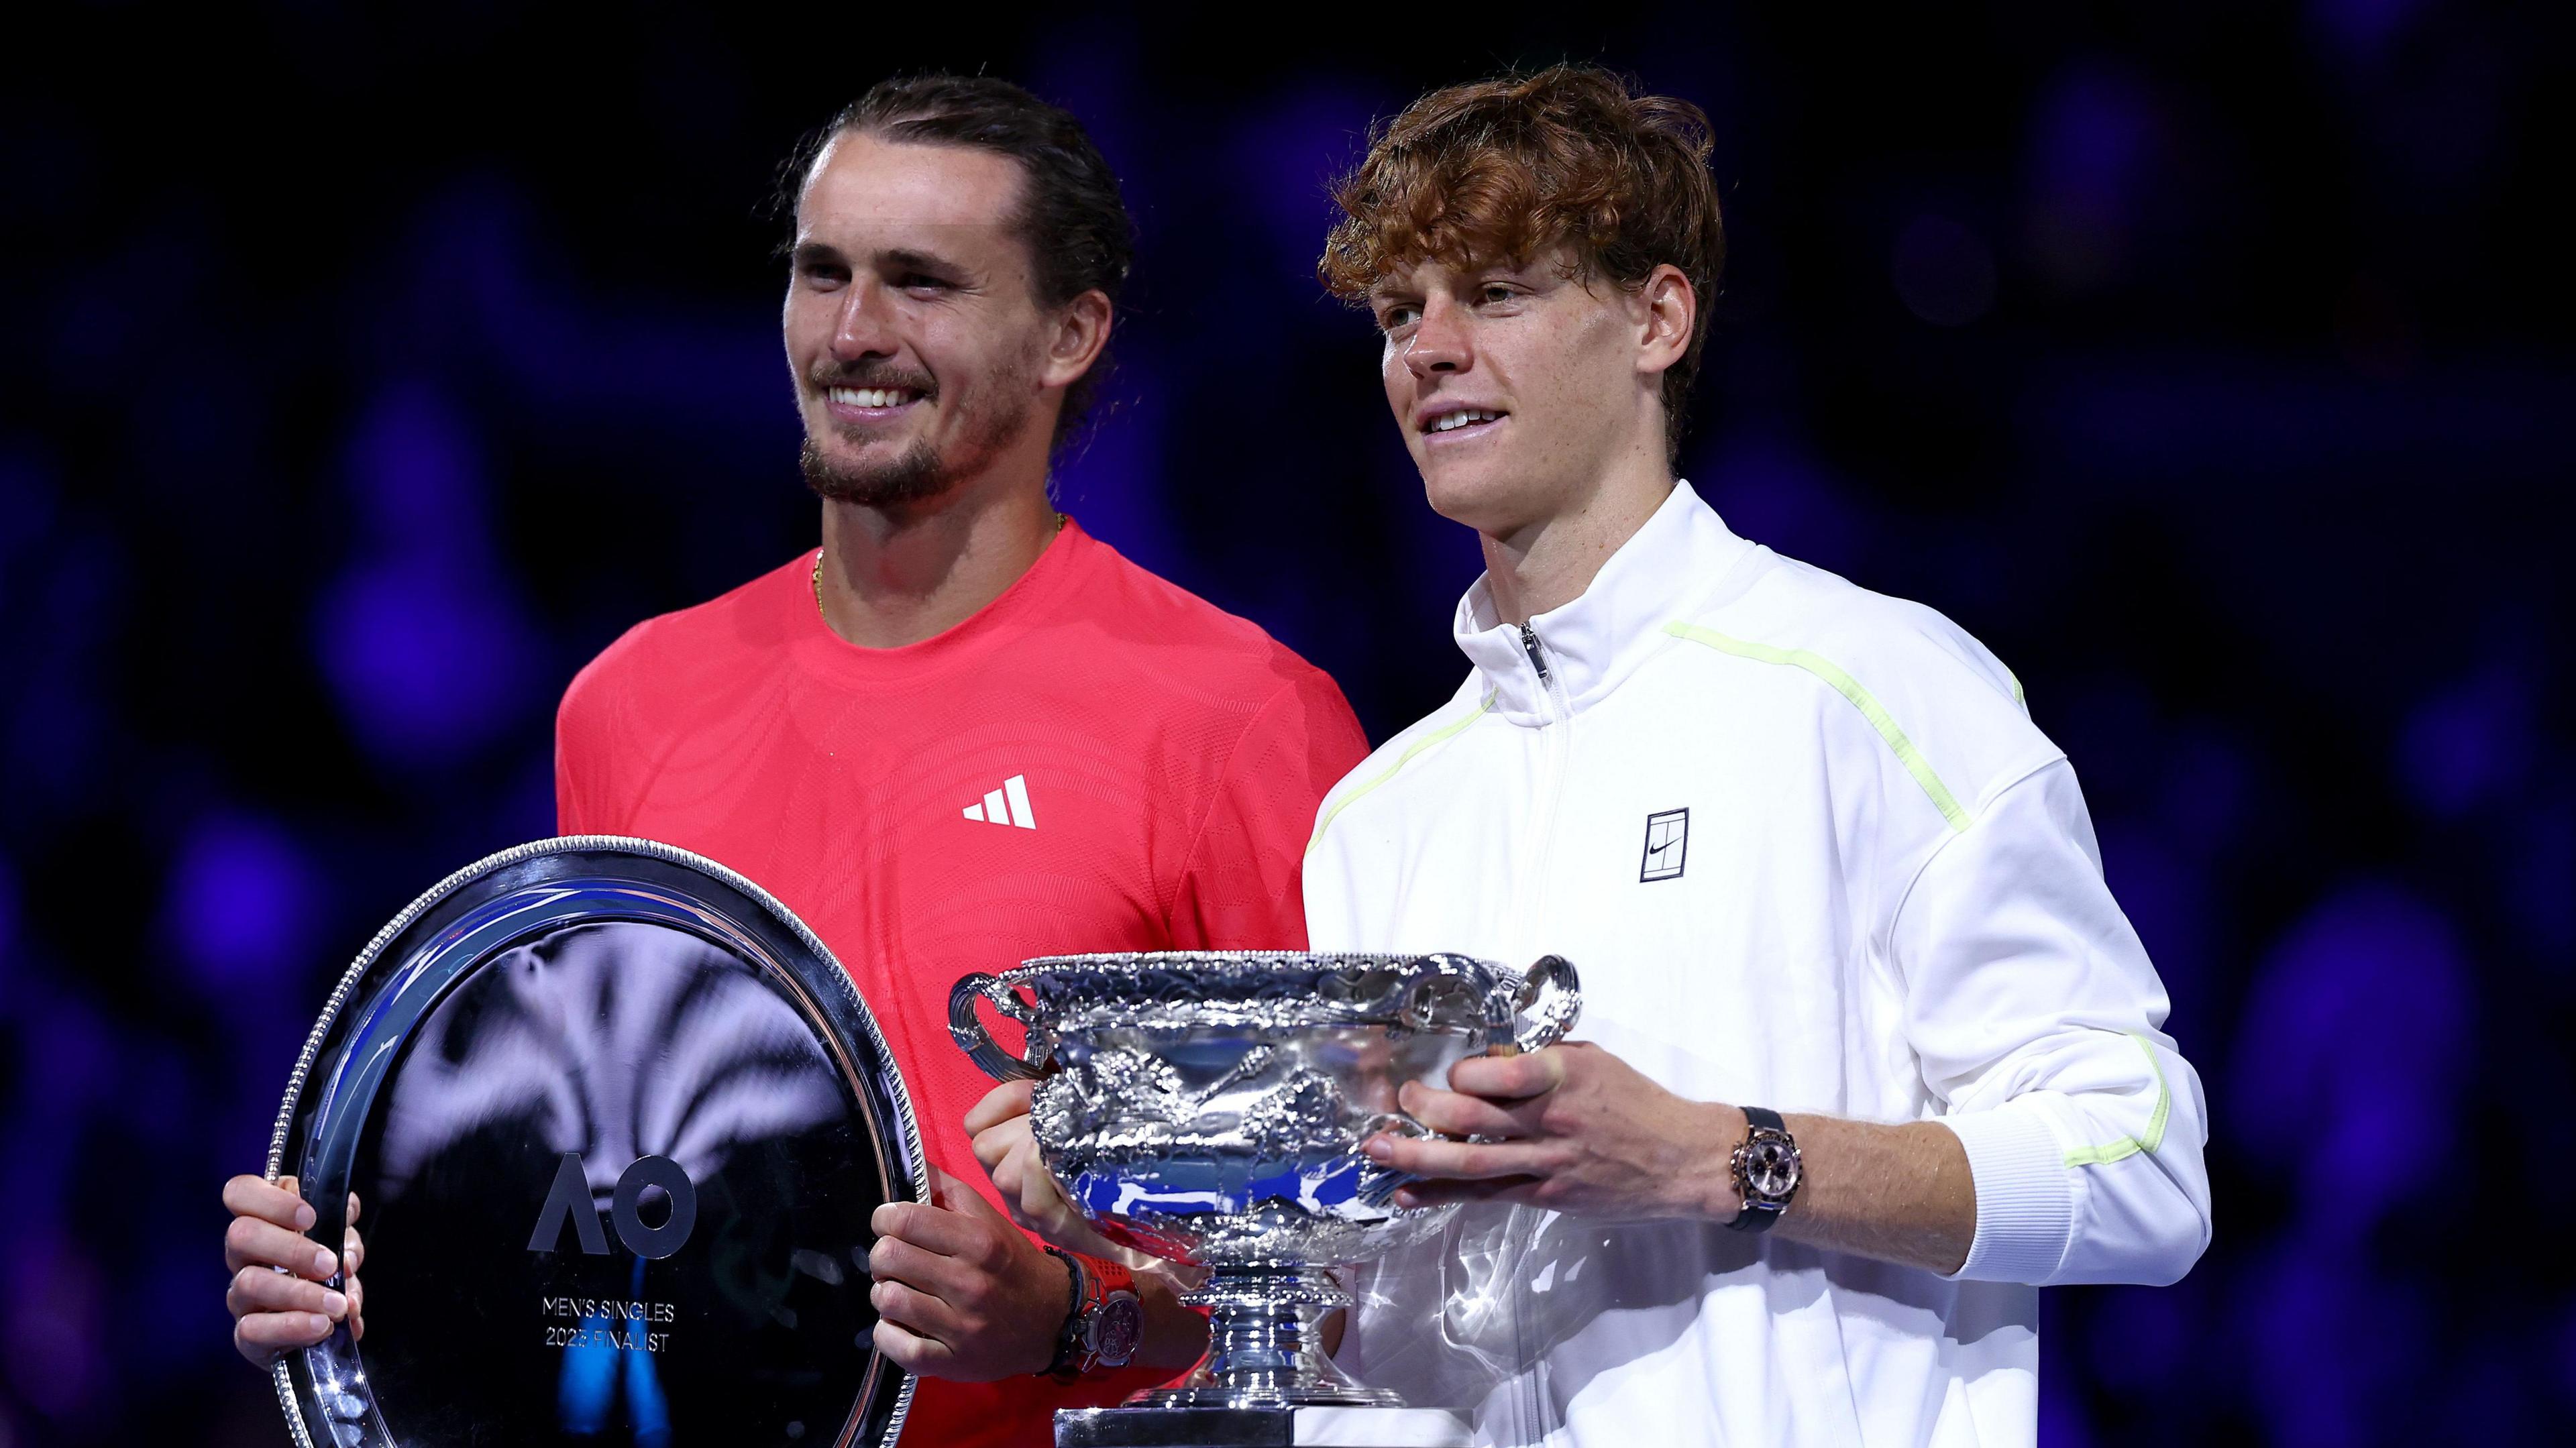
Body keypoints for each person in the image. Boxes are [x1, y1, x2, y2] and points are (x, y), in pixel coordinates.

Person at [974, 64, 2210, 1446]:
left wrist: (1713, 1158)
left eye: (1494, 294)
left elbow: (2142, 1166)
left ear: (1656, 319)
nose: (1428, 349)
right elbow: (1371, 1327)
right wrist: (1143, 1185)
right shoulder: (1382, 815)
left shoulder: (1875, 693)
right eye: (1398, 315)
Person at [219, 74, 1371, 1448]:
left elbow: (1353, 1299)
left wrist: (1071, 1319)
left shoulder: (1239, 720)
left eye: (921, 283)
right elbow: (622, 1211)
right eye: (821, 274)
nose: (853, 331)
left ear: (1070, 335)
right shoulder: (630, 705)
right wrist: (384, 1267)